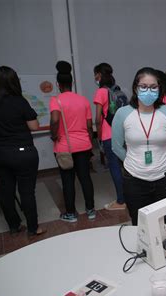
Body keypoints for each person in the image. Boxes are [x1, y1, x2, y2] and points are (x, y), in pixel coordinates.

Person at [111, 67, 166, 225]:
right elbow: (116, 147)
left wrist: (164, 160)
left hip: (165, 178)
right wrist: (132, 161)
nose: (148, 90)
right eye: (143, 86)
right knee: (140, 225)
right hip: (134, 180)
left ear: (159, 88)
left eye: (153, 87)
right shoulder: (123, 113)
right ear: (135, 88)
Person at [0, 66, 45, 236]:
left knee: (5, 191)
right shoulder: (20, 101)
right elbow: (34, 125)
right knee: (26, 192)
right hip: (22, 152)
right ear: (14, 82)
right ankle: (33, 228)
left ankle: (14, 225)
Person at [50, 61, 95, 222]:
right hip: (83, 145)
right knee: (85, 179)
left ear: (58, 84)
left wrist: (53, 135)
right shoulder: (83, 100)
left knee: (68, 181)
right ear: (72, 82)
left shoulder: (56, 100)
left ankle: (71, 214)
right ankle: (91, 210)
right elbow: (89, 126)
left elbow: (55, 120)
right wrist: (88, 141)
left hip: (65, 147)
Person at [93, 62, 126, 211]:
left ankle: (120, 201)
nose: (95, 77)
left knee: (114, 168)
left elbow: (98, 118)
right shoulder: (117, 90)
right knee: (125, 167)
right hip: (122, 134)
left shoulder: (101, 92)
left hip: (108, 136)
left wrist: (98, 137)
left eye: (95, 74)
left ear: (99, 75)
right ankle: (129, 196)